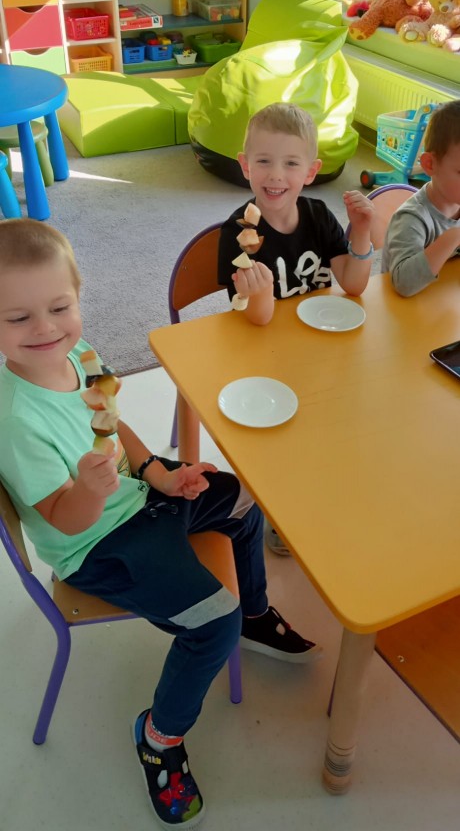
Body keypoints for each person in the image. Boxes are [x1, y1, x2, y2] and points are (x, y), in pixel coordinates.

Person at [0, 219, 319, 830]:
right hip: (97, 541)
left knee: (242, 500)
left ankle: (255, 615)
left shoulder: (80, 355)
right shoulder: (15, 422)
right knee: (213, 622)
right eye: (18, 318)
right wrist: (92, 491)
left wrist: (155, 472)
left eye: (59, 307)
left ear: (78, 297)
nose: (45, 328)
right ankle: (159, 735)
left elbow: (112, 420)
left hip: (135, 495)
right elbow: (63, 518)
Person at [217, 103, 374, 555]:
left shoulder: (319, 216)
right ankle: (279, 507)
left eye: (290, 163)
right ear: (245, 165)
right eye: (264, 161)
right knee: (278, 439)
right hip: (261, 355)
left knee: (345, 414)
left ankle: (325, 484)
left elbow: (354, 284)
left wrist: (362, 230)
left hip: (319, 349)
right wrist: (262, 291)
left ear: (310, 171)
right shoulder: (237, 233)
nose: (275, 175)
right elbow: (257, 318)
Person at [382, 100, 460, 296]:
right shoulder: (411, 219)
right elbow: (404, 284)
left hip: (442, 300)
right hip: (401, 308)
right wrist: (453, 237)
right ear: (430, 164)